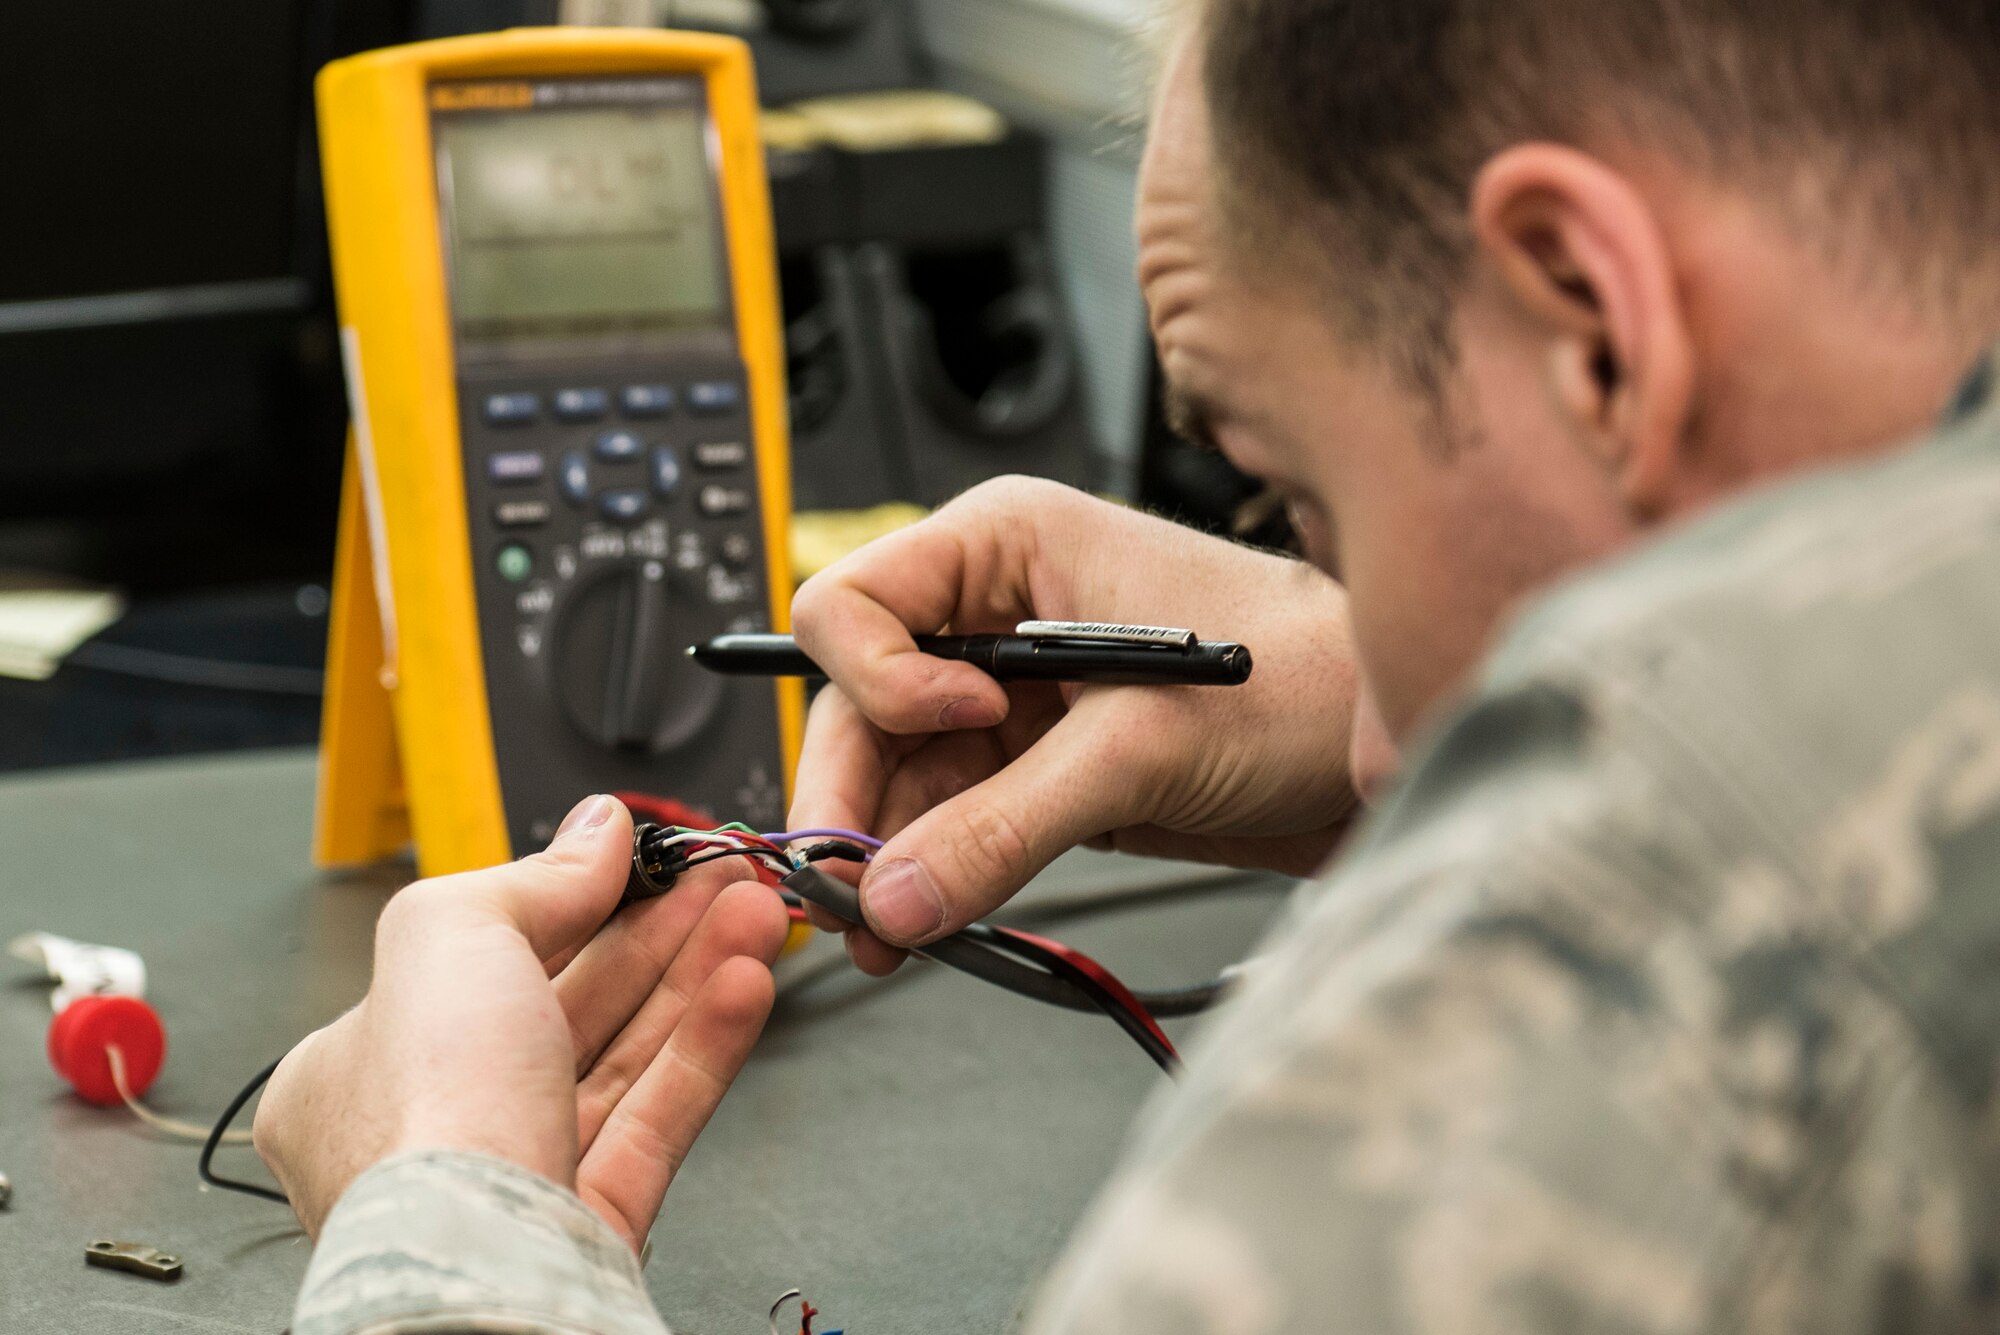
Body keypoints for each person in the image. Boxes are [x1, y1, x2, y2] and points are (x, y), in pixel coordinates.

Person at [257, 0, 2000, 1330]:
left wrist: (445, 1213)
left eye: (1303, 498)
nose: (1395, 770)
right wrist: (1347, 651)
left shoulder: (1729, 872)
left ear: (1593, 316)